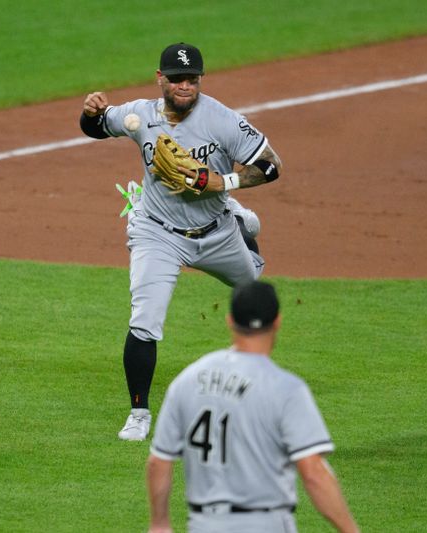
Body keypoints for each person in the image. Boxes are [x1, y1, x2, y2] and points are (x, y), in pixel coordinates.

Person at [80, 43, 283, 441]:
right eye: (176, 79)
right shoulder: (138, 116)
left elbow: (272, 165)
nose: (184, 85)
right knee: (145, 320)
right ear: (161, 79)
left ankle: (239, 222)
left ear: (201, 80)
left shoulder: (222, 119)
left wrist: (223, 182)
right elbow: (95, 127)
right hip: (157, 232)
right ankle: (139, 413)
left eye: (192, 79)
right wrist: (89, 112)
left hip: (216, 231)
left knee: (253, 292)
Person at [146, 281, 359, 533]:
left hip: (204, 525)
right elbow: (312, 471)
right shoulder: (286, 389)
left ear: (229, 320)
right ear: (278, 321)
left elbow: (159, 461)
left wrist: (159, 523)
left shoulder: (188, 379)